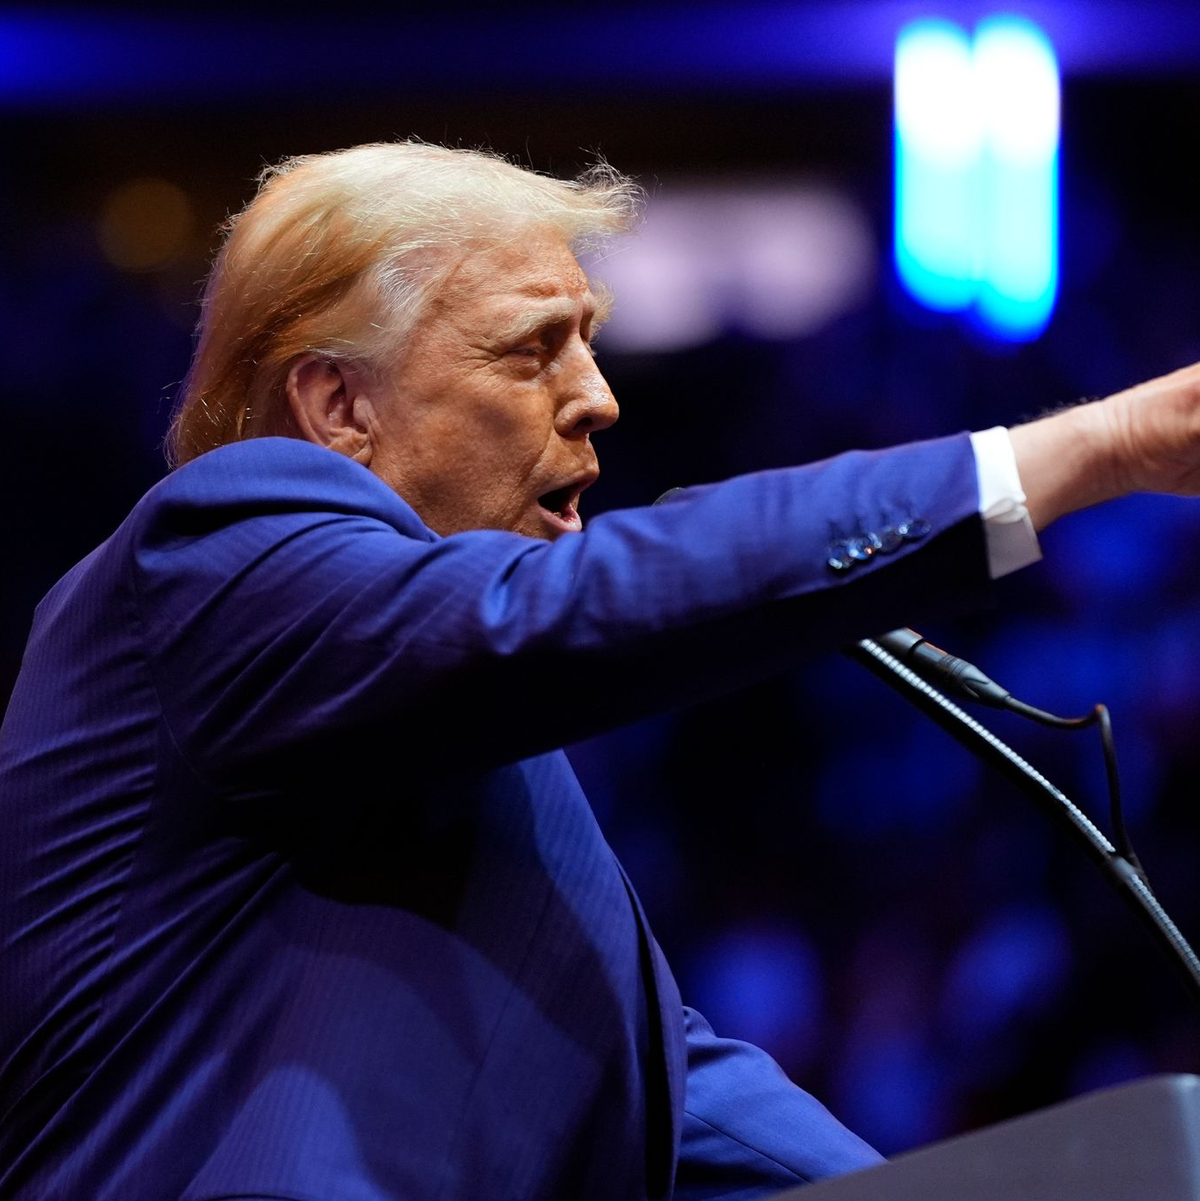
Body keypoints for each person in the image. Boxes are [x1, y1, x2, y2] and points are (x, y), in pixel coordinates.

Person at [2, 141, 1200, 1201]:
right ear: (336, 407)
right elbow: (563, 612)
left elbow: (676, 1090)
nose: (601, 396)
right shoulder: (220, 548)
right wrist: (1102, 445)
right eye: (533, 351)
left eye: (591, 340)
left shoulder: (487, 773)